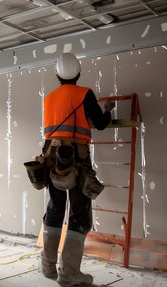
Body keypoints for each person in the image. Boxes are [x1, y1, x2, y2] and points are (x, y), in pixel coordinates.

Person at [41, 53, 114, 286]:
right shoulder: (85, 94)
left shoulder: (49, 98)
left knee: (54, 209)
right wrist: (108, 109)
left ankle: (48, 266)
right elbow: (101, 124)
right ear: (79, 73)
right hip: (78, 160)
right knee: (79, 213)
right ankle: (69, 273)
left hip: (52, 159)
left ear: (57, 75)